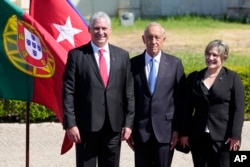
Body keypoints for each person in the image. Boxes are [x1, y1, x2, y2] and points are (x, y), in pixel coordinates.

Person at [62, 11, 135, 167]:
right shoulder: (76, 56)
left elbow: (128, 92)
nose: (100, 32)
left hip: (114, 127)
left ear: (110, 30)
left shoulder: (122, 55)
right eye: (96, 28)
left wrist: (128, 123)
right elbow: (68, 92)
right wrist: (70, 124)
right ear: (89, 29)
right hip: (85, 127)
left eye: (104, 28)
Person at [127, 22, 186, 167]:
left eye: (157, 37)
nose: (153, 41)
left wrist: (178, 129)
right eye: (149, 37)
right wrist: (128, 126)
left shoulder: (175, 64)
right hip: (140, 132)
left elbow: (181, 101)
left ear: (163, 39)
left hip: (166, 132)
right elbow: (128, 98)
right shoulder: (132, 64)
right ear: (143, 39)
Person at [180, 39, 245, 167]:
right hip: (198, 137)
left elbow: (238, 109)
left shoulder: (232, 78)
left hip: (224, 138)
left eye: (215, 55)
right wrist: (184, 133)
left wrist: (235, 135)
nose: (210, 58)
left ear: (223, 56)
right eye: (208, 54)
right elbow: (186, 109)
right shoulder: (194, 78)